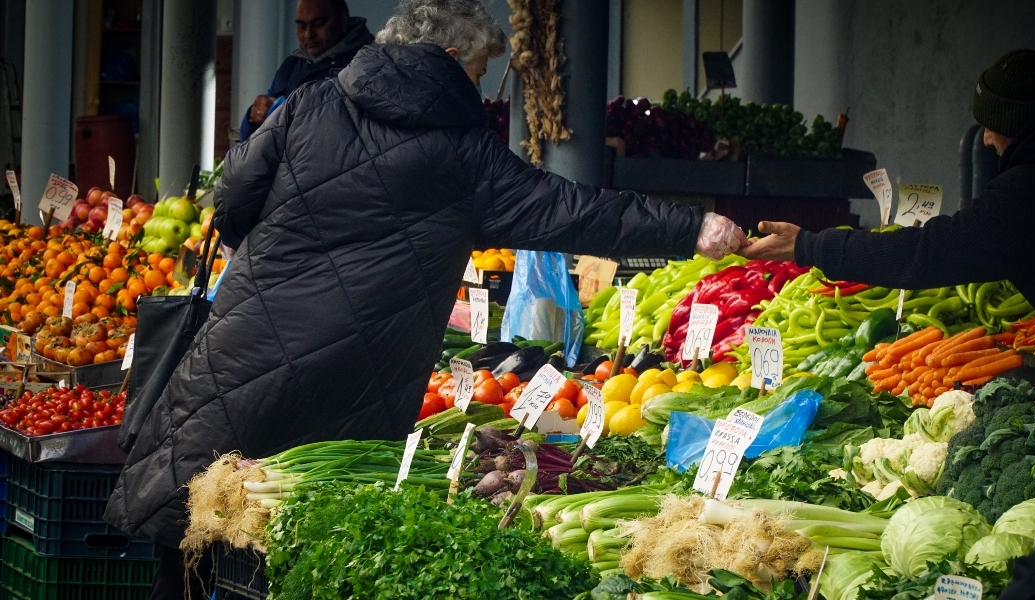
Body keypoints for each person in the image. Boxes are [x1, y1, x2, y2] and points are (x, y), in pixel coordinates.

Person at [104, 0, 745, 597]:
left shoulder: (312, 103)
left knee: (193, 510)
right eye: (479, 67)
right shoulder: (467, 157)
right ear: (451, 60)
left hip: (246, 337)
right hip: (351, 374)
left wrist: (277, 258)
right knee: (293, 534)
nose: (481, 80)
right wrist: (693, 227)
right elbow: (577, 211)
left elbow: (234, 196)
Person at [739, 49, 1035, 371]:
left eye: (992, 124)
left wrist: (807, 245)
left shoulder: (1032, 192)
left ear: (1019, 125)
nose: (986, 139)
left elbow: (925, 253)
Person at [239, 0, 374, 142]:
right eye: (302, 26)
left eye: (319, 23)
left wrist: (284, 113)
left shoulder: (368, 63)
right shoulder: (291, 64)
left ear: (343, 20)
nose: (308, 34)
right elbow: (250, 140)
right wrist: (254, 117)